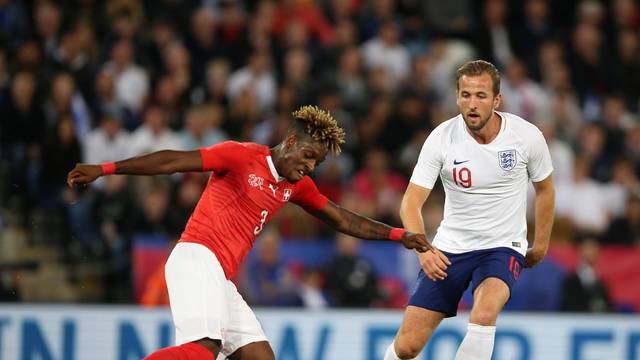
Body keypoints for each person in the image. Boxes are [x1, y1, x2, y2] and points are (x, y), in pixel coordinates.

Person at [67, 105, 433, 360]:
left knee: (259, 356)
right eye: (307, 156)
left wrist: (400, 236)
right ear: (290, 142)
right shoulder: (241, 156)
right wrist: (106, 168)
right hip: (196, 255)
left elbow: (343, 220)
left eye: (316, 163)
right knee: (203, 349)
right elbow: (172, 161)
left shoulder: (294, 186)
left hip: (219, 277)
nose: (308, 167)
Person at [383, 60, 555, 360]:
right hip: (450, 248)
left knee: (485, 313)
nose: (472, 104)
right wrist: (424, 250)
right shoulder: (442, 138)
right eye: (465, 95)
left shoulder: (526, 137)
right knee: (407, 348)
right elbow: (410, 202)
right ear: (457, 97)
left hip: (503, 246)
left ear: (497, 99)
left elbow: (545, 189)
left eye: (481, 95)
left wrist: (540, 244)